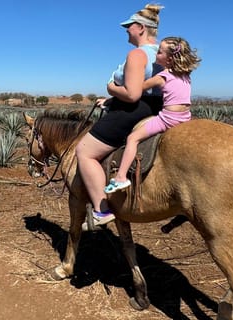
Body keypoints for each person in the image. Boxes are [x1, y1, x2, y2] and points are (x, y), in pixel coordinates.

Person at [76, 4, 165, 230]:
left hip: (134, 109)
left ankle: (100, 210)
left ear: (141, 28)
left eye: (130, 26)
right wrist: (111, 102)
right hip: (156, 107)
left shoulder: (137, 54)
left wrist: (110, 89)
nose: (126, 30)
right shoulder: (162, 53)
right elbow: (148, 89)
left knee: (84, 152)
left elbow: (133, 94)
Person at [104, 36, 201, 193]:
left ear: (169, 60)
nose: (156, 55)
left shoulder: (161, 77)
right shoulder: (186, 76)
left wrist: (113, 86)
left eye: (160, 52)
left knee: (132, 138)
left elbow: (135, 89)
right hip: (185, 117)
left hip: (168, 119)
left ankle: (121, 177)